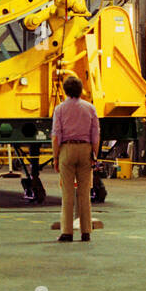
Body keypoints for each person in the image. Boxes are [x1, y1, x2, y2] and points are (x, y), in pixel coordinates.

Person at [51, 75, 100, 243]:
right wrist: (94, 154)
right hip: (86, 149)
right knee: (85, 193)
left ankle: (67, 232)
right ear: (81, 90)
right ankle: (86, 232)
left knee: (67, 193)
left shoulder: (59, 109)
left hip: (67, 149)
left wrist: (56, 157)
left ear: (65, 91)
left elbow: (56, 135)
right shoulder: (90, 108)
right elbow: (95, 134)